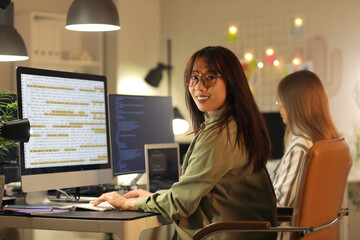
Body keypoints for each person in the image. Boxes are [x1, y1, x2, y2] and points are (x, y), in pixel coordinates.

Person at [92, 46, 277, 240]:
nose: (199, 86)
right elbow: (191, 194)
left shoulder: (220, 134)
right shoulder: (236, 125)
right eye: (194, 77)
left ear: (231, 82)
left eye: (210, 77)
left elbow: (180, 203)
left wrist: (129, 203)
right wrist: (152, 198)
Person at [271, 70, 340, 239]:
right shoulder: (325, 142)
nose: (279, 107)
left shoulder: (301, 147)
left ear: (296, 105)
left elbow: (279, 208)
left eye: (282, 102)